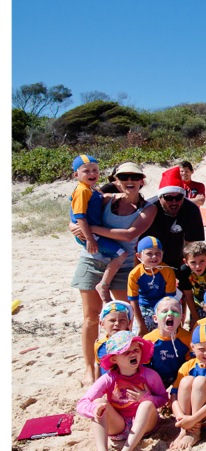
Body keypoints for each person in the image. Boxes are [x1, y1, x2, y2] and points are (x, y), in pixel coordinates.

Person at [71, 161, 147, 385]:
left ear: (142, 180)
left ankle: (127, 363)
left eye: (134, 177)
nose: (129, 181)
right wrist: (73, 225)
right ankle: (89, 368)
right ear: (116, 180)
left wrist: (89, 230)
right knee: (90, 318)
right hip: (92, 261)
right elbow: (79, 213)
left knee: (126, 318)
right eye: (124, 177)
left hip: (123, 265)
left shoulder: (146, 206)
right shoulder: (102, 195)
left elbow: (129, 234)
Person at [77, 331, 168, 451]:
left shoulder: (149, 375)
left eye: (136, 350)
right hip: (119, 426)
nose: (133, 354)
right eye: (126, 352)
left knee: (146, 404)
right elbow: (82, 403)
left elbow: (163, 398)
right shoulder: (108, 378)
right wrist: (94, 410)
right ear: (114, 359)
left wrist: (146, 397)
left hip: (146, 425)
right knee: (99, 402)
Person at [69, 154, 128, 303]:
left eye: (95, 170)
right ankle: (103, 285)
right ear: (76, 174)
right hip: (89, 234)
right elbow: (80, 216)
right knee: (121, 253)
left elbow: (102, 197)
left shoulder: (90, 189)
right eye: (86, 171)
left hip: (92, 232)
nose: (92, 174)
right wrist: (89, 238)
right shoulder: (82, 190)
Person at [127, 236, 178, 336]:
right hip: (143, 306)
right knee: (140, 334)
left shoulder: (168, 271)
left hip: (163, 304)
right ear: (139, 256)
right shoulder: (134, 274)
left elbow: (170, 299)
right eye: (149, 254)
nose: (154, 257)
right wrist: (141, 325)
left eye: (158, 253)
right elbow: (134, 301)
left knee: (167, 331)